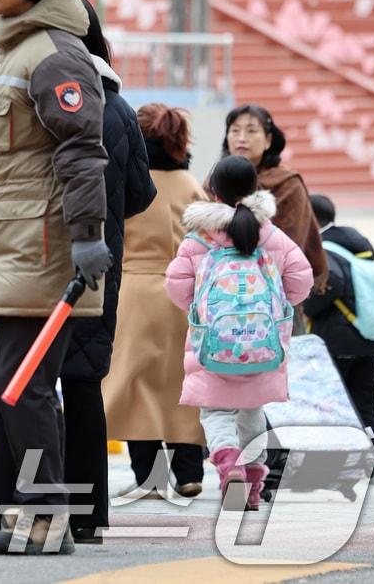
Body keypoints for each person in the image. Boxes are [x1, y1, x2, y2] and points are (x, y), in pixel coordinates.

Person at [0, 0, 111, 555]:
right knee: (19, 389)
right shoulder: (10, 49)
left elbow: (82, 151)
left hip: (43, 254)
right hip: (14, 251)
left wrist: (87, 236)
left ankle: (48, 517)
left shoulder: (52, 54)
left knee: (24, 389)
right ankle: (31, 509)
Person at [56, 0, 156, 543]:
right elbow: (141, 192)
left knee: (28, 383)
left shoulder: (42, 94)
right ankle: (89, 517)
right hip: (100, 263)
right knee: (84, 381)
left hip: (40, 260)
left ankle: (22, 507)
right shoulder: (118, 107)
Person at [165, 155, 314, 511]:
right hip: (262, 349)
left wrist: (200, 310)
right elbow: (302, 280)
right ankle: (251, 488)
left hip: (212, 347)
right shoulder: (271, 234)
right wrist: (279, 306)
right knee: (252, 413)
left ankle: (228, 465)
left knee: (216, 414)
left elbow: (176, 286)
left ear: (213, 191)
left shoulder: (199, 239)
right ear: (254, 189)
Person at [102, 104, 208, 499]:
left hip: (132, 292)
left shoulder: (132, 181)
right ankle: (189, 471)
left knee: (135, 387)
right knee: (184, 385)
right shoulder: (192, 186)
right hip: (185, 294)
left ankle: (149, 475)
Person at [303, 194, 374, 485]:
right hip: (367, 338)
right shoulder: (355, 244)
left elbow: (333, 283)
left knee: (332, 403)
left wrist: (307, 308)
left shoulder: (324, 248)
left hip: (336, 340)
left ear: (311, 218)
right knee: (365, 401)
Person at [221, 104, 327, 293]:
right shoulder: (214, 181)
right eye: (235, 130)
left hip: (276, 293)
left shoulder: (288, 184)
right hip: (222, 292)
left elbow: (292, 246)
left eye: (251, 130)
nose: (242, 137)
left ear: (268, 140)